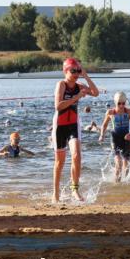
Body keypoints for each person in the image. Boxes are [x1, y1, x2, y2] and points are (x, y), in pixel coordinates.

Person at [52, 58, 99, 202]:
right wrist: (77, 97)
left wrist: (85, 75)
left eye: (77, 71)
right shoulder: (61, 84)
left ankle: (75, 189)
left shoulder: (79, 85)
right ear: (65, 71)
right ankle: (56, 193)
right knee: (60, 162)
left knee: (77, 155)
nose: (75, 74)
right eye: (73, 71)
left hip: (73, 124)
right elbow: (58, 106)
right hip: (60, 125)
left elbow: (95, 93)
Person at [99, 91, 130, 182]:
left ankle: (123, 186)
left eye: (123, 103)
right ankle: (116, 183)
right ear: (115, 102)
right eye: (119, 103)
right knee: (118, 162)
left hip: (126, 138)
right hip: (115, 137)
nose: (121, 106)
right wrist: (102, 135)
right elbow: (104, 125)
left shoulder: (129, 112)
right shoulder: (110, 112)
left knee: (126, 166)